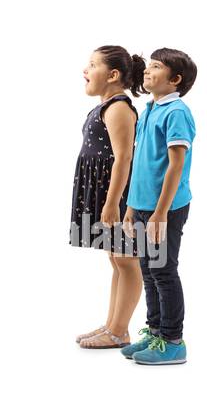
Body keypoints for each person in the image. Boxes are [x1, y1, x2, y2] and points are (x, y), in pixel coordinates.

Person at [120, 48, 198, 365]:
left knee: (163, 272)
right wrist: (130, 206)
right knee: (148, 271)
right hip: (141, 206)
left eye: (156, 67)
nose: (148, 71)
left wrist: (160, 213)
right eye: (149, 65)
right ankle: (155, 332)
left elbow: (175, 166)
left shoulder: (176, 111)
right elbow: (140, 163)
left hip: (164, 209)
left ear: (175, 80)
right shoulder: (150, 107)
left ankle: (173, 340)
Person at [70, 46, 145, 349]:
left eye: (92, 65)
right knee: (117, 259)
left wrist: (113, 202)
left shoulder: (118, 108)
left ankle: (119, 331)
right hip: (106, 189)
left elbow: (124, 157)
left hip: (118, 192)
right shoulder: (107, 105)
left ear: (113, 75)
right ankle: (112, 325)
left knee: (127, 260)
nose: (84, 71)